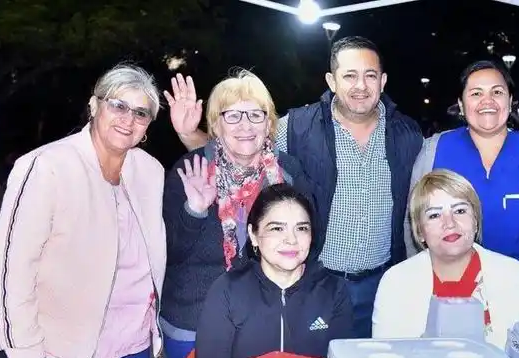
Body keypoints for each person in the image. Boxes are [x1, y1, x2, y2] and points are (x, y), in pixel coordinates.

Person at [166, 36, 424, 338]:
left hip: (379, 283)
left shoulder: (407, 134)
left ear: (383, 81)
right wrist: (188, 135)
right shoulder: (297, 127)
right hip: (315, 281)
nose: (361, 85)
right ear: (331, 80)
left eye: (370, 75)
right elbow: (238, 152)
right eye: (349, 76)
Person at [0, 64, 166, 358]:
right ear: (95, 106)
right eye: (118, 105)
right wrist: (25, 353)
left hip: (130, 345)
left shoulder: (150, 172)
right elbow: (12, 265)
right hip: (59, 347)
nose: (128, 119)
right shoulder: (45, 166)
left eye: (141, 113)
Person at [160, 70, 308, 358]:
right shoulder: (191, 169)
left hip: (265, 320)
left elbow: (309, 243)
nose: (245, 125)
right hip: (193, 322)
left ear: (269, 125)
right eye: (233, 115)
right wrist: (195, 211)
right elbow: (169, 253)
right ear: (215, 124)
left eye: (256, 115)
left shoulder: (289, 173)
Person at [409, 60, 519, 310]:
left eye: (497, 92)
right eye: (476, 93)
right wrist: (417, 281)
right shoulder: (432, 152)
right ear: (460, 104)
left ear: (510, 102)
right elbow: (412, 226)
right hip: (446, 299)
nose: (487, 101)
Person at [193, 183, 354, 358]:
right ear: (253, 235)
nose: (291, 240)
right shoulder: (228, 290)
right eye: (277, 228)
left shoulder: (333, 291)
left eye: (302, 228)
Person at [373, 169, 519, 350]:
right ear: (420, 232)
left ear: (476, 220)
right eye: (434, 215)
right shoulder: (396, 282)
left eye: (460, 210)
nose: (449, 223)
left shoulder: (513, 274)